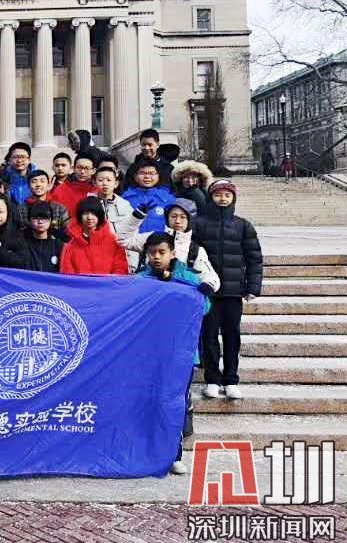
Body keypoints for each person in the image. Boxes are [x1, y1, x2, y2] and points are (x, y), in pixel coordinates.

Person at [136, 231, 211, 476]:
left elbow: (205, 307)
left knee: (175, 404)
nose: (156, 257)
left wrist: (194, 290)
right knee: (146, 402)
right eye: (152, 253)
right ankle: (146, 451)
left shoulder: (187, 279)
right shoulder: (139, 280)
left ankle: (174, 453)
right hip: (148, 353)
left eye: (161, 252)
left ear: (172, 253)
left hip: (181, 355)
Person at [194, 179, 263, 401]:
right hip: (208, 292)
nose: (222, 198)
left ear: (233, 198)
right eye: (218, 194)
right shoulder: (199, 224)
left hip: (234, 292)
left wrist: (253, 287)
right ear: (210, 197)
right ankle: (212, 380)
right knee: (209, 336)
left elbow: (254, 259)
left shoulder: (243, 225)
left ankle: (232, 379)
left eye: (227, 195)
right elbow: (190, 256)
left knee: (232, 336)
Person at [121, 199, 222, 292]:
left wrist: (208, 286)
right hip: (149, 296)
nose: (177, 221)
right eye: (173, 216)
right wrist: (136, 217)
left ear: (190, 220)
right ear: (167, 218)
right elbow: (122, 240)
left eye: (183, 217)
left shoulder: (195, 250)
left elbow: (211, 278)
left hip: (178, 300)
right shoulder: (152, 238)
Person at [59, 197, 128, 275]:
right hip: (80, 286)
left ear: (99, 215)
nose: (89, 217)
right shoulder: (70, 246)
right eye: (85, 213)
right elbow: (68, 275)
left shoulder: (114, 242)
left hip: (108, 286)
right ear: (79, 216)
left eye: (93, 213)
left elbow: (120, 268)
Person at [121, 161, 178, 235]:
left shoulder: (169, 199)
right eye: (142, 173)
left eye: (151, 173)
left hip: (159, 243)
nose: (147, 176)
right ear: (135, 176)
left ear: (158, 176)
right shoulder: (125, 198)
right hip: (132, 243)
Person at [18, 170, 70, 241]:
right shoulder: (20, 209)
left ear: (48, 184)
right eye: (34, 181)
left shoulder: (59, 208)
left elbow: (67, 231)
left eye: (42, 181)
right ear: (28, 186)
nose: (38, 184)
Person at [48, 151, 98, 219]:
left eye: (86, 168)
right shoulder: (60, 189)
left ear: (93, 171)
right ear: (73, 168)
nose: (82, 172)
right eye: (79, 168)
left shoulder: (98, 189)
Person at [23, 202, 64, 273]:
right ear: (29, 220)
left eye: (44, 218)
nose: (40, 222)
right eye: (36, 218)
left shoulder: (59, 246)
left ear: (51, 220)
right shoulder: (22, 244)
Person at [1, 142, 36, 206]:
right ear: (10, 160)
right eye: (15, 157)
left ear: (29, 160)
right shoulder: (3, 178)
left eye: (23, 157)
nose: (19, 160)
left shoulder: (37, 179)